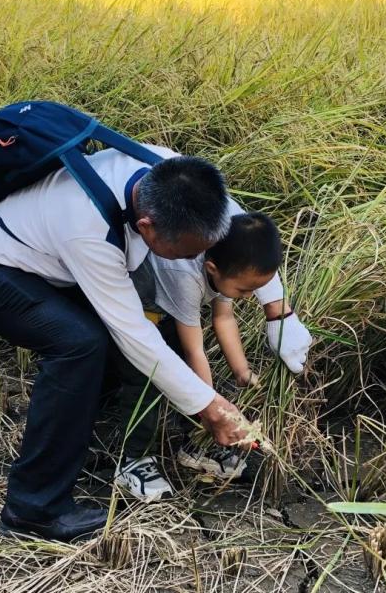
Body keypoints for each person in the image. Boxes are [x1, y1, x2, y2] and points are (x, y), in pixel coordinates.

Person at [0, 143, 312, 541]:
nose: (194, 260)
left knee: (126, 342)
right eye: (184, 253)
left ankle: (93, 420)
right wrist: (211, 408)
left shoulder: (173, 173)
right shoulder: (89, 231)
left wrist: (279, 313)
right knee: (80, 345)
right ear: (147, 229)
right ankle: (33, 509)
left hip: (53, 264)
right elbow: (135, 335)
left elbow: (241, 224)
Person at [116, 210, 309, 501]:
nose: (248, 296)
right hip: (141, 307)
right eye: (245, 289)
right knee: (149, 375)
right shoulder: (185, 276)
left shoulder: (229, 259)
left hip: (174, 311)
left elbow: (224, 317)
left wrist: (241, 370)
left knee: (190, 377)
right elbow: (195, 350)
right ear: (212, 268)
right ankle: (133, 460)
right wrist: (212, 409)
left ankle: (195, 445)